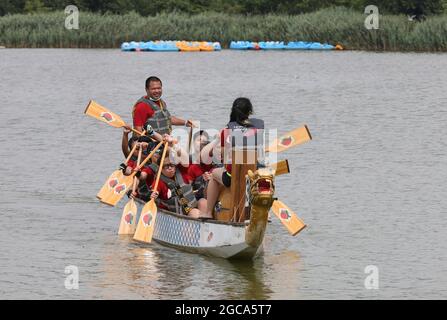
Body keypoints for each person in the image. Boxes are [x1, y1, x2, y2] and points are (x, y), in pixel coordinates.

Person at [204, 97, 264, 219]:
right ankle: (265, 214)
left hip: (233, 177)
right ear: (250, 112)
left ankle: (208, 212)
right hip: (254, 176)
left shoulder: (226, 130)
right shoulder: (258, 127)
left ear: (233, 111)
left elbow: (222, 157)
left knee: (215, 173)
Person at [146, 148, 208, 219]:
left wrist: (172, 145)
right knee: (194, 212)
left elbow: (184, 157)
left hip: (191, 206)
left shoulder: (181, 171)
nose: (170, 168)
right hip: (176, 216)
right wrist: (154, 194)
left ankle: (206, 226)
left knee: (203, 202)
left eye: (172, 165)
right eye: (166, 166)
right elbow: (155, 190)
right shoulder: (158, 181)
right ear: (160, 168)